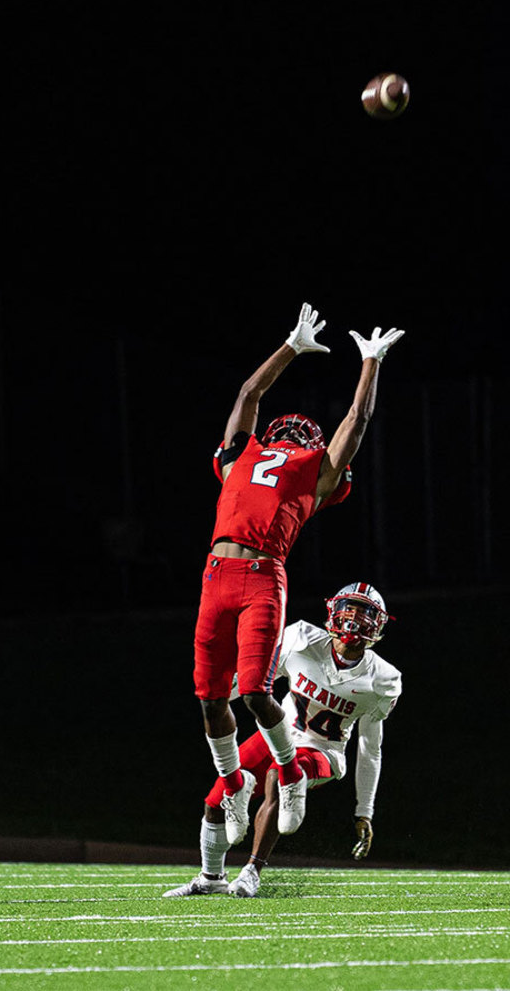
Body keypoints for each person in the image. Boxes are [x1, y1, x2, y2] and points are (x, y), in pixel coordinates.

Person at [194, 304, 403, 847]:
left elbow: (355, 425)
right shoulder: (242, 454)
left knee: (257, 692)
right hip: (216, 572)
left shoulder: (315, 474)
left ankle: (288, 779)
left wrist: (370, 365)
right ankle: (233, 787)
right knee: (212, 699)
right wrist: (290, 346)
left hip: (263, 573)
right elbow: (247, 396)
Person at [164, 581, 401, 897]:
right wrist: (218, 698)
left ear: (378, 622)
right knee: (215, 800)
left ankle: (252, 870)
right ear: (333, 610)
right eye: (349, 608)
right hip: (279, 735)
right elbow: (256, 684)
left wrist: (364, 810)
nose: (353, 618)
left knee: (281, 775)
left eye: (363, 612)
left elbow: (370, 747)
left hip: (323, 751)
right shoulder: (302, 638)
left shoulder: (383, 679)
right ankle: (211, 877)